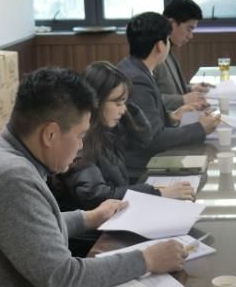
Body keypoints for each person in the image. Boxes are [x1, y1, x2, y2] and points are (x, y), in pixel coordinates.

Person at [0, 68, 188, 287]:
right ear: (50, 134)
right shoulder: (11, 177)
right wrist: (146, 260)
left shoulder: (0, 150)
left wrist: (88, 218)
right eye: (80, 136)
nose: (81, 146)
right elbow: (64, 279)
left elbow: (31, 229)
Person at [55, 61, 195, 211]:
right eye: (118, 103)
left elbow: (144, 138)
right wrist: (157, 193)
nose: (123, 110)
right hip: (97, 223)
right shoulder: (80, 140)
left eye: (125, 102)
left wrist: (128, 107)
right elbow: (95, 195)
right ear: (96, 101)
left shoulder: (108, 130)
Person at [117, 12, 219, 169]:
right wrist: (200, 128)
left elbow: (143, 123)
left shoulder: (133, 67)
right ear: (160, 45)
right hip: (142, 167)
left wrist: (172, 116)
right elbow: (154, 138)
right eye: (167, 40)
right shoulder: (138, 80)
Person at [153, 0, 211, 111]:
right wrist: (183, 99)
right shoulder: (153, 53)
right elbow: (146, 100)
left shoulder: (168, 48)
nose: (190, 36)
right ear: (171, 23)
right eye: (189, 29)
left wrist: (190, 89)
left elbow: (169, 89)